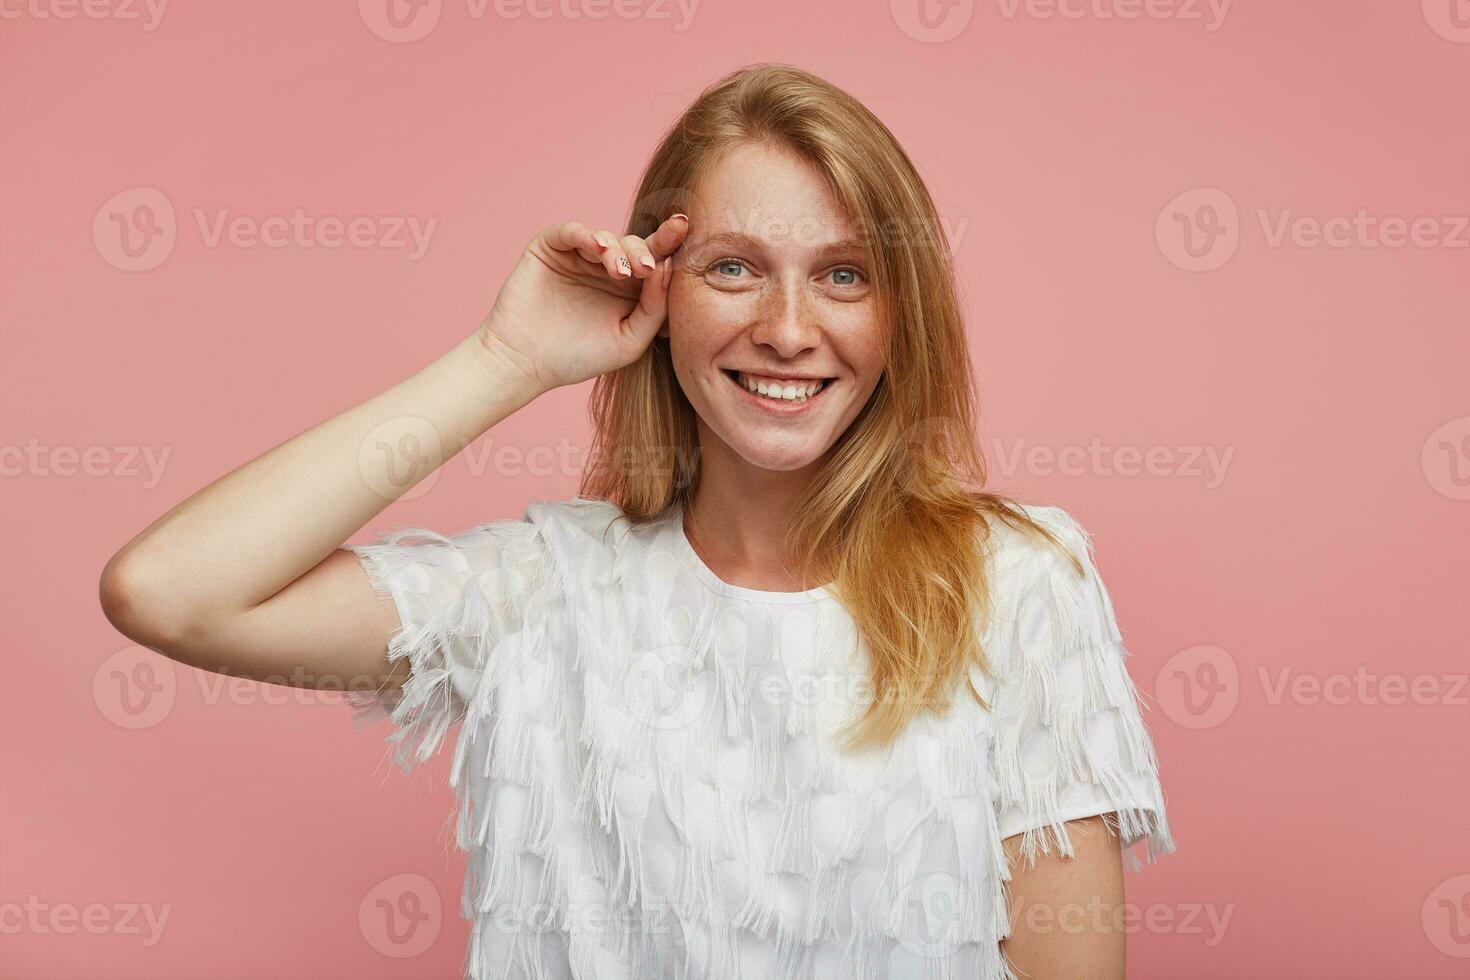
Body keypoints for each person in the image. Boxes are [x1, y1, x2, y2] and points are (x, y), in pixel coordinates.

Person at [100, 63, 1174, 980]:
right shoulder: (541, 590)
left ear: (902, 315)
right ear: (661, 293)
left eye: (843, 274)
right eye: (734, 267)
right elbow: (171, 591)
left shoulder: (1018, 582)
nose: (789, 328)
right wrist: (505, 361)